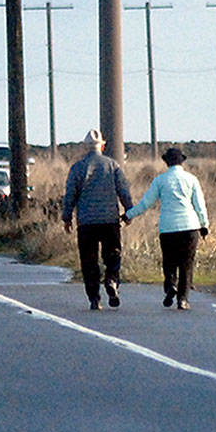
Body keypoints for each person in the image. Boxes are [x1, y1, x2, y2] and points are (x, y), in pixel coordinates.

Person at [123, 147, 209, 310]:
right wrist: (204, 225)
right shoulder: (191, 179)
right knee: (186, 264)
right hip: (189, 226)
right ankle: (182, 299)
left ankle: (170, 286)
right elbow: (200, 205)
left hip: (168, 227)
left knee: (169, 261)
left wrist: (129, 215)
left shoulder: (160, 181)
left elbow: (146, 203)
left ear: (166, 162)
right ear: (182, 162)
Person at [62, 128, 133, 311]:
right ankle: (111, 280)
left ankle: (94, 298)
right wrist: (129, 211)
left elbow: (70, 194)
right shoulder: (112, 165)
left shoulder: (77, 168)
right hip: (109, 220)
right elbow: (123, 190)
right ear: (102, 145)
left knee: (89, 260)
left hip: (86, 222)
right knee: (113, 254)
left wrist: (67, 217)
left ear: (86, 147)